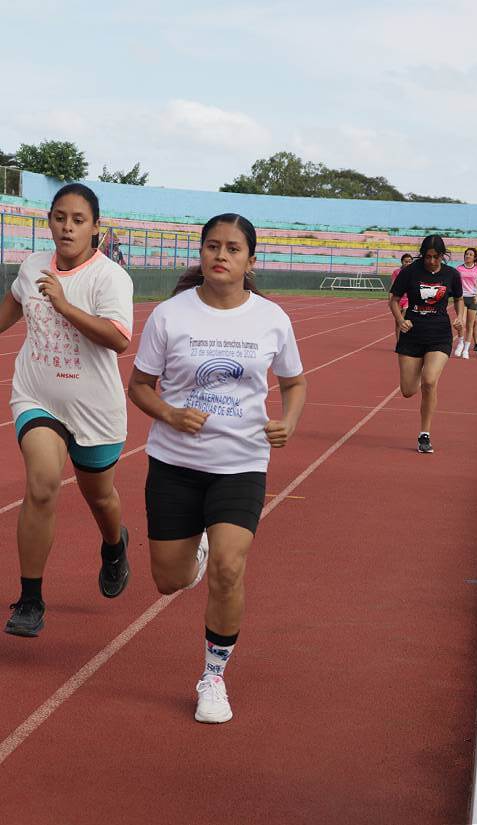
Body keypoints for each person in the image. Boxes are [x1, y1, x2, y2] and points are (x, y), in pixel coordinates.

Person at [128, 213, 306, 723]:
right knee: (169, 580)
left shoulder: (271, 318)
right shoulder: (170, 315)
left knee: (231, 567)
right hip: (175, 463)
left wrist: (288, 422)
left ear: (251, 259)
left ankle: (213, 676)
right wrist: (169, 413)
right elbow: (140, 385)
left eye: (232, 248)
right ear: (201, 254)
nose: (220, 256)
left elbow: (295, 383)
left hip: (241, 462)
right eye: (211, 246)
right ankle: (196, 551)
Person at [0, 183, 134, 637]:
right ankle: (31, 599)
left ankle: (114, 546)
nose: (67, 227)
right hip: (37, 396)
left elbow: (118, 339)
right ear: (50, 221)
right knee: (41, 486)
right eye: (60, 217)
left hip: (95, 411)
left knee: (99, 497)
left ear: (96, 228)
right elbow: (10, 311)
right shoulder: (33, 267)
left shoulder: (110, 278)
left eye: (78, 220)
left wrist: (64, 303)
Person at [389, 234, 463, 453]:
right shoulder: (409, 272)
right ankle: (419, 377)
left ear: (442, 255)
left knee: (430, 381)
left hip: (439, 334)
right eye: (428, 256)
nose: (432, 261)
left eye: (436, 256)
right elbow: (393, 300)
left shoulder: (451, 274)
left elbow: (458, 298)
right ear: (423, 255)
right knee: (408, 391)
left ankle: (424, 434)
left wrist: (459, 317)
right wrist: (400, 320)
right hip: (412, 334)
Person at [453, 248, 477, 359]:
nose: (468, 256)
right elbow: (455, 284)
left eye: (470, 254)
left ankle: (466, 349)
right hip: (461, 298)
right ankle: (460, 342)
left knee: (470, 325)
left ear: (474, 257)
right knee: (461, 322)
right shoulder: (459, 268)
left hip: (473, 298)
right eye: (466, 254)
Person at [389, 253, 413, 341]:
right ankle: (399, 342)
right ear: (402, 262)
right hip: (398, 299)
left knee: (403, 319)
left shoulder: (413, 272)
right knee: (398, 323)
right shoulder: (396, 272)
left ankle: (405, 341)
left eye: (410, 261)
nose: (408, 263)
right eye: (406, 262)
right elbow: (392, 287)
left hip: (408, 299)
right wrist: (390, 300)